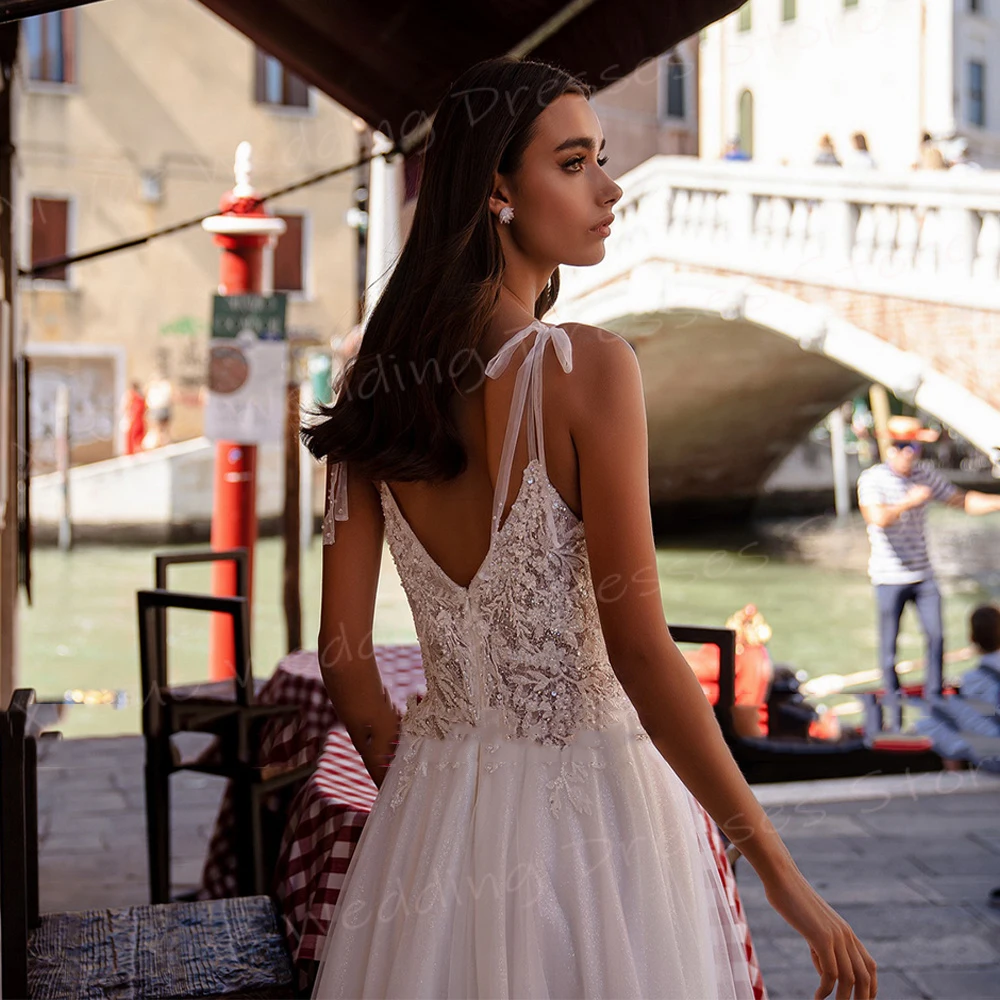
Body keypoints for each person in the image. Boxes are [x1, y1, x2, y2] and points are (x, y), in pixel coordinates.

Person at [302, 56, 877, 999]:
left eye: (601, 159)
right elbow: (643, 654)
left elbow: (343, 656)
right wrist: (781, 874)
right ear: (495, 186)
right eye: (574, 163)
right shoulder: (591, 369)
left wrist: (425, 786)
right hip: (600, 820)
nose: (611, 189)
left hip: (433, 816)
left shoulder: (372, 396)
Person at [857, 415, 1000, 731]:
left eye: (914, 446)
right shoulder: (872, 479)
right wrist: (909, 502)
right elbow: (877, 517)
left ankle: (937, 709)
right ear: (890, 448)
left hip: (923, 575)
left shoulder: (925, 475)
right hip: (888, 577)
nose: (910, 453)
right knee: (888, 649)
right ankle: (893, 720)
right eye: (904, 446)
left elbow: (960, 500)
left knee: (936, 637)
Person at [120, 380, 146, 455]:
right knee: (133, 439)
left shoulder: (135, 396)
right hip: (134, 420)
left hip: (136, 420)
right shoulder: (133, 396)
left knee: (135, 438)